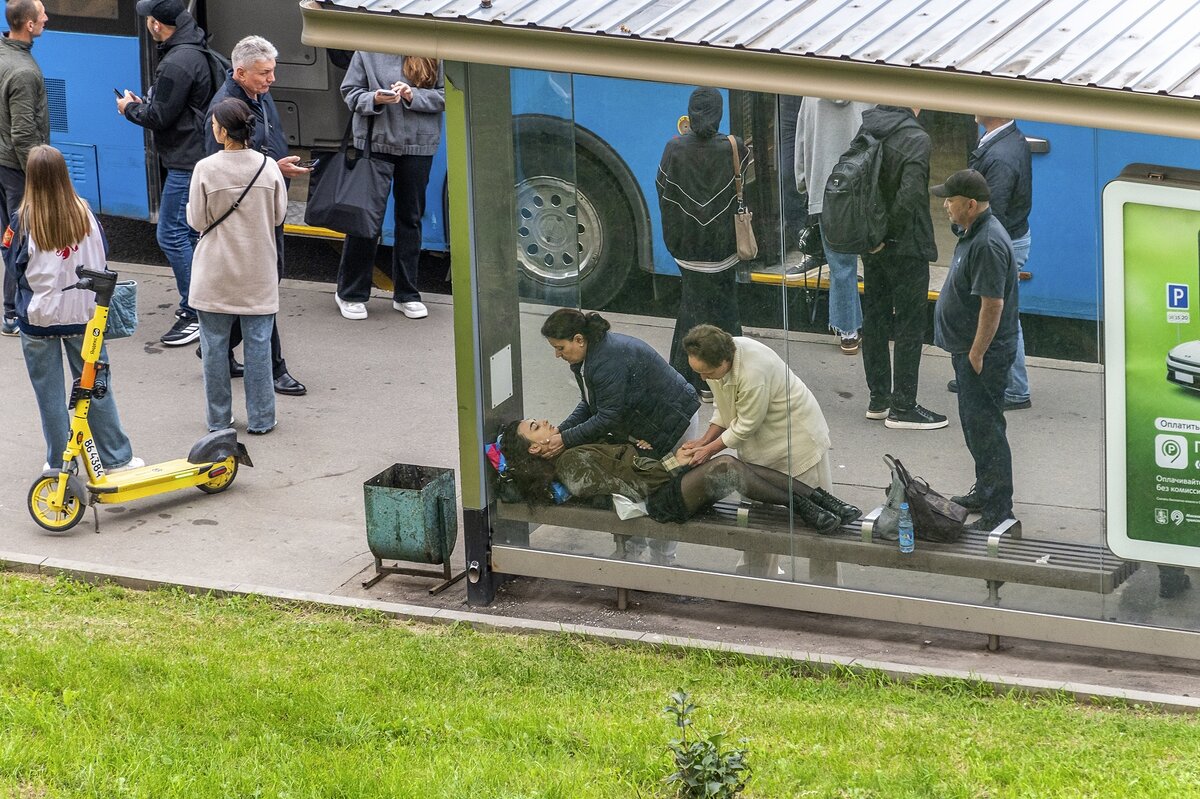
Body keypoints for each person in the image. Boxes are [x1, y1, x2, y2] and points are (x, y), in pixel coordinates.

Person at [6, 144, 141, 471]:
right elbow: (103, 253)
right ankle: (116, 457)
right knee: (95, 388)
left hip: (38, 319)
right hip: (85, 316)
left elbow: (13, 267)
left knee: (49, 396)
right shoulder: (85, 213)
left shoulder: (23, 220)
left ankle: (59, 463)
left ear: (31, 178)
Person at [496, 419, 860, 537]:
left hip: (662, 484)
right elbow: (633, 488)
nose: (545, 422)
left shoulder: (573, 444)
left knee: (731, 463)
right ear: (535, 448)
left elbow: (628, 463)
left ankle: (821, 501)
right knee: (726, 468)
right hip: (657, 502)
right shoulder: (570, 465)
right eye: (536, 427)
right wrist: (675, 463)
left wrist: (658, 455)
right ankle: (807, 506)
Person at [538, 307, 700, 565]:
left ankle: (662, 561)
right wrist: (561, 430)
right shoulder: (589, 356)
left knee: (663, 490)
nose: (557, 355)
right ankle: (631, 555)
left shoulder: (606, 361)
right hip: (649, 424)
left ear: (579, 339)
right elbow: (590, 404)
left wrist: (565, 440)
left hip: (674, 422)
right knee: (635, 488)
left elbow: (607, 417)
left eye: (560, 348)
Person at [682, 324, 835, 576]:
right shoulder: (718, 366)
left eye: (707, 372)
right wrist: (703, 441)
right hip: (760, 449)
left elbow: (745, 425)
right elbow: (724, 408)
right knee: (757, 522)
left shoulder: (753, 371)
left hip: (799, 444)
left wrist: (708, 450)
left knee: (818, 523)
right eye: (699, 373)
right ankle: (755, 580)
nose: (703, 379)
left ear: (724, 361)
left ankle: (825, 585)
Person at [202, 35, 307, 397]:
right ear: (240, 72)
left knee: (264, 282)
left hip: (264, 205)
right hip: (247, 218)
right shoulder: (224, 111)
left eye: (272, 71)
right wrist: (273, 169)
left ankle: (218, 348)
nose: (271, 79)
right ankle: (276, 369)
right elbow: (220, 168)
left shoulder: (258, 93)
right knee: (263, 289)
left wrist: (277, 168)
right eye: (264, 73)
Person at [117, 0, 216, 347]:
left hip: (186, 161)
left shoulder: (177, 61)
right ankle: (204, 304)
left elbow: (159, 117)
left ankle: (195, 311)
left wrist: (129, 109)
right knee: (188, 234)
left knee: (171, 234)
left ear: (157, 25)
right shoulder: (193, 45)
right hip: (196, 154)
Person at [188, 97, 286, 435]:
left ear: (222, 131)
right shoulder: (268, 167)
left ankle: (218, 420)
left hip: (214, 272)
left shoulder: (205, 169)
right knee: (259, 347)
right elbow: (278, 216)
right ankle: (262, 418)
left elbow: (197, 220)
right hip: (258, 271)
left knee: (214, 348)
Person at [931, 169, 1019, 532]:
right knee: (976, 428)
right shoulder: (973, 232)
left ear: (970, 204)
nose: (945, 206)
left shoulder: (987, 243)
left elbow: (993, 304)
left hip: (984, 355)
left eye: (950, 201)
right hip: (971, 351)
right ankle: (985, 491)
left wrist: (977, 353)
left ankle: (999, 509)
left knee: (986, 431)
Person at [333, 51, 444, 321]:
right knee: (365, 219)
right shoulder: (366, 51)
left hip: (418, 146)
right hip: (374, 144)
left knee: (411, 218)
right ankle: (350, 293)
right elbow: (350, 93)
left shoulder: (433, 52)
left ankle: (407, 294)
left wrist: (412, 95)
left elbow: (446, 96)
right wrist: (375, 98)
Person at [656, 87, 748, 400]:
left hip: (688, 251)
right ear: (719, 113)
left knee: (691, 313)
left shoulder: (674, 147)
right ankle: (725, 383)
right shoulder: (735, 147)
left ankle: (685, 382)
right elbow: (745, 191)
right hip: (725, 250)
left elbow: (663, 191)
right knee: (727, 314)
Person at [856, 105, 946, 430]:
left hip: (872, 244)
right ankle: (904, 406)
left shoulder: (867, 126)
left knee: (875, 318)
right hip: (907, 245)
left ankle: (878, 399)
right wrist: (889, 235)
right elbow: (910, 195)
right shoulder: (916, 138)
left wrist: (874, 236)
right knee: (909, 324)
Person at [947, 115, 1034, 411]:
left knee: (1002, 314)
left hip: (1004, 241)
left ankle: (1016, 389)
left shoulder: (1000, 156)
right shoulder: (1004, 140)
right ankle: (976, 370)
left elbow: (992, 210)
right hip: (1013, 236)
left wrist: (967, 233)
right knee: (990, 309)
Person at [795, 97, 873, 355]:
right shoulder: (868, 87)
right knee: (875, 260)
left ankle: (848, 332)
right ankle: (877, 325)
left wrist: (804, 182)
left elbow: (802, 138)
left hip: (825, 187)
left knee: (840, 265)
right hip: (864, 187)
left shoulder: (812, 93)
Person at [0, 0, 49, 336]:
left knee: (9, 237)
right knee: (21, 239)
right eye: (41, 14)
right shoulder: (24, 72)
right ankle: (14, 311)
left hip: (2, 165)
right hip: (17, 170)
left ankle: (11, 308)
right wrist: (40, 176)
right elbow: (23, 134)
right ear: (29, 24)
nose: (47, 18)